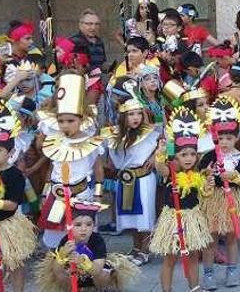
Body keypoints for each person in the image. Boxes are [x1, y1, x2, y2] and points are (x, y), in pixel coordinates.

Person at [0, 98, 38, 292]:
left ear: (10, 152)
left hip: (7, 225)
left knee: (15, 264)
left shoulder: (14, 175)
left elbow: (12, 204)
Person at [37, 73, 105, 249]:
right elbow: (53, 166)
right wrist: (45, 193)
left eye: (70, 121)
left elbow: (98, 168)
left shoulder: (90, 138)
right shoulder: (54, 136)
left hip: (81, 194)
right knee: (56, 243)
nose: (65, 125)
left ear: (81, 119)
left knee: (83, 241)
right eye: (61, 121)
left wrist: (98, 195)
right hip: (57, 193)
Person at [150, 106, 213, 292]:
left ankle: (194, 288)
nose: (189, 158)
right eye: (183, 154)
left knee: (193, 255)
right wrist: (160, 154)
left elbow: (204, 194)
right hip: (173, 217)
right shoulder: (171, 172)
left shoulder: (198, 173)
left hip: (193, 216)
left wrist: (207, 187)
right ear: (175, 155)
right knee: (170, 257)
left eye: (192, 154)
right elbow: (160, 168)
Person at [199, 97, 240, 290]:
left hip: (233, 200)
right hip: (213, 199)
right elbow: (199, 177)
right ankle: (208, 274)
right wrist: (206, 176)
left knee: (231, 237)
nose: (224, 142)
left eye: (229, 138)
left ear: (236, 137)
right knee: (211, 239)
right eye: (220, 138)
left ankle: (232, 270)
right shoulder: (209, 156)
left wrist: (235, 177)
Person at [104, 93, 160, 266]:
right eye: (131, 114)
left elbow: (164, 143)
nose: (135, 117)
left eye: (138, 113)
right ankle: (136, 247)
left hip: (143, 178)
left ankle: (146, 250)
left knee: (144, 214)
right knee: (131, 216)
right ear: (123, 116)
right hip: (125, 179)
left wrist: (155, 156)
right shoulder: (114, 135)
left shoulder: (151, 132)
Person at [34, 199, 139, 291]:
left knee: (104, 274)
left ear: (94, 225)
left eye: (88, 224)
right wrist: (62, 255)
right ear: (69, 226)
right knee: (59, 274)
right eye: (78, 225)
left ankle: (101, 289)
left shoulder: (97, 240)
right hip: (74, 276)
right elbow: (56, 270)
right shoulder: (66, 241)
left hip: (94, 275)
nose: (83, 229)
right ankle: (71, 289)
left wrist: (83, 261)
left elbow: (97, 269)